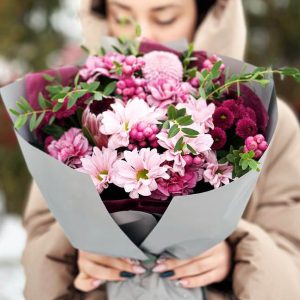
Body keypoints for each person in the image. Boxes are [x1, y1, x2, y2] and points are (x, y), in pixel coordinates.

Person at [22, 0, 300, 299]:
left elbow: (292, 261)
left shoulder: (269, 122)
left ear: (208, 15)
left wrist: (237, 253)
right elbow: (38, 251)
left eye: (165, 18)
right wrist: (77, 252)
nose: (143, 37)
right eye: (123, 16)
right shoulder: (68, 115)